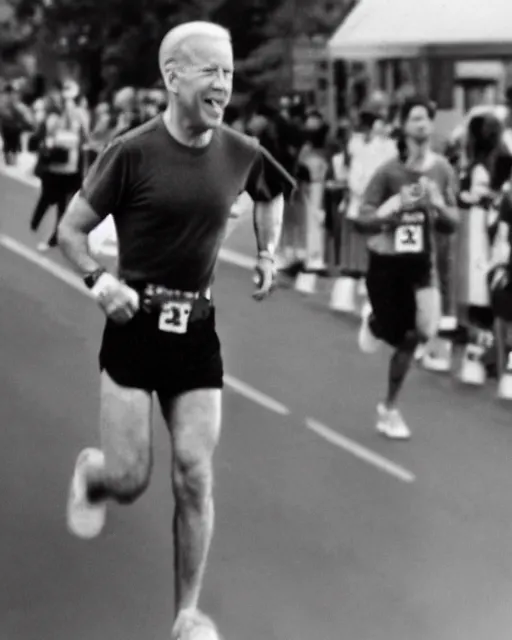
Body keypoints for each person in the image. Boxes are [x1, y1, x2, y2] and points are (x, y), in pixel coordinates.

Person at [57, 20, 295, 640]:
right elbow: (70, 231)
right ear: (172, 77)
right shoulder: (131, 152)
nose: (224, 85)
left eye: (231, 74)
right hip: (133, 327)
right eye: (211, 71)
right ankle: (95, 475)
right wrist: (97, 282)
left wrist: (268, 253)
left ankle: (186, 615)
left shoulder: (241, 151)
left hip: (196, 332)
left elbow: (271, 193)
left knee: (194, 472)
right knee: (132, 480)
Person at [355, 96, 459, 439]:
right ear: (403, 125)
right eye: (415, 118)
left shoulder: (442, 169)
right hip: (387, 267)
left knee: (424, 330)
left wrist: (438, 204)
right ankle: (377, 323)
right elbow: (362, 218)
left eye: (427, 118)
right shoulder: (388, 172)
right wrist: (395, 208)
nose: (423, 124)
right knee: (403, 334)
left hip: (422, 264)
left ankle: (388, 405)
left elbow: (452, 222)